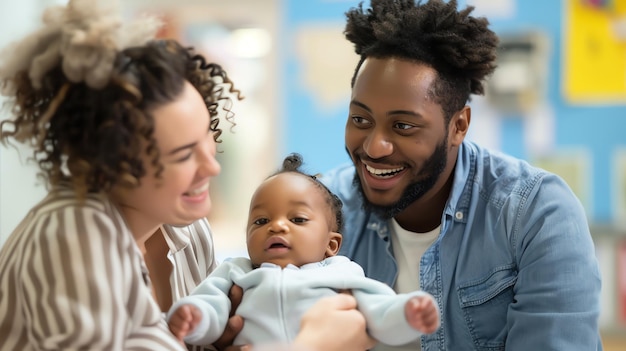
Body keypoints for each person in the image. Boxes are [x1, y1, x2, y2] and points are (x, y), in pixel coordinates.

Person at [0, 1, 374, 350]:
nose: (211, 168)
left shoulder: (183, 228)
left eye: (206, 140)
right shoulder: (71, 237)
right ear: (110, 163)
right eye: (182, 155)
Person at [317, 0, 603, 350]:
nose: (375, 147)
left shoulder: (535, 214)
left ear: (459, 126)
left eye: (403, 126)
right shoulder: (320, 209)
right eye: (361, 120)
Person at [167, 154, 440, 348]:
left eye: (297, 219)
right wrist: (195, 317)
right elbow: (211, 304)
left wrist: (406, 314)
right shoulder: (237, 270)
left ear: (331, 245)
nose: (277, 227)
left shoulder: (341, 272)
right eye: (261, 221)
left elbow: (378, 311)